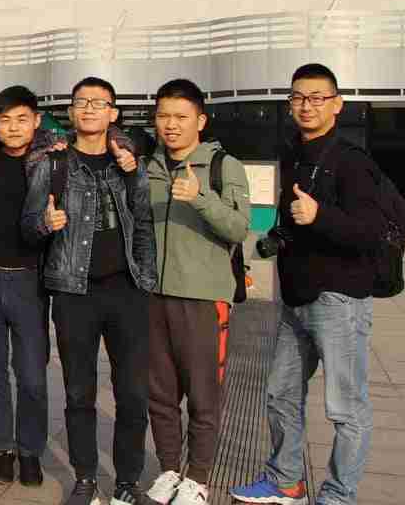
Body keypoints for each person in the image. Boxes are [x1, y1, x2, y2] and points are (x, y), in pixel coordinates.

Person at [231, 64, 384, 505]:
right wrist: (273, 241)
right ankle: (285, 481)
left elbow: (370, 231)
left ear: (337, 104)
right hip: (295, 299)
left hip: (339, 301)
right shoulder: (293, 154)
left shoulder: (353, 162)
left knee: (345, 408)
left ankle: (338, 496)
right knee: (280, 394)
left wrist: (321, 216)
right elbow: (293, 220)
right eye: (298, 97)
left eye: (317, 97)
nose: (307, 105)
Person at [22, 76, 155, 505]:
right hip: (73, 293)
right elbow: (28, 225)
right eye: (82, 102)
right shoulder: (53, 165)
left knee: (132, 394)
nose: (90, 109)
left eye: (99, 103)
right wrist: (46, 224)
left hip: (127, 292)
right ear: (71, 112)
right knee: (79, 392)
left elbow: (144, 223)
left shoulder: (129, 164)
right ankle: (85, 477)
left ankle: (127, 481)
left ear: (113, 113)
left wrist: (146, 281)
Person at [142, 79, 250, 505]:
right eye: (163, 116)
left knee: (204, 396)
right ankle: (169, 470)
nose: (171, 125)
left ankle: (198, 479)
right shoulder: (148, 166)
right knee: (160, 395)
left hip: (203, 300)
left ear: (200, 121)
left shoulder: (224, 166)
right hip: (153, 297)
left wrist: (200, 197)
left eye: (181, 117)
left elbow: (239, 228)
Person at [0, 86, 58, 488]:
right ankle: (2, 449)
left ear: (36, 121)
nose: (13, 128)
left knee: (32, 376)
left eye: (22, 119)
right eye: (5, 120)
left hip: (29, 280)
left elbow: (109, 138)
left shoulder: (52, 158)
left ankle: (30, 451)